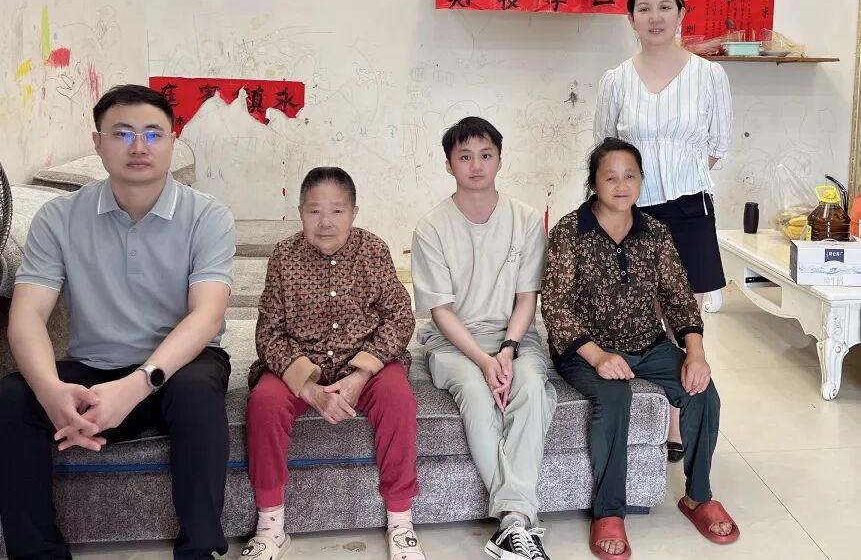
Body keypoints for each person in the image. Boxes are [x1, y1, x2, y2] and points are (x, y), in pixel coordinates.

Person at [0, 84, 236, 559]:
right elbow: (27, 315)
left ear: (172, 141)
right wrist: (50, 390)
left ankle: (200, 551)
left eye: (153, 133)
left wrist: (136, 385)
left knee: (197, 393)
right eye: (123, 133)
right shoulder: (59, 218)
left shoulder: (207, 216)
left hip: (176, 369)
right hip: (94, 370)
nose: (138, 146)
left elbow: (207, 315)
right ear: (98, 142)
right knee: (11, 399)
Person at [542, 138, 739, 560]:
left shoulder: (655, 232)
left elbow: (679, 298)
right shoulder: (569, 232)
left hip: (647, 344)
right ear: (593, 183)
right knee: (615, 398)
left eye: (630, 176)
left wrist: (695, 353)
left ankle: (698, 497)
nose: (621, 185)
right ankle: (609, 512)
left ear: (641, 180)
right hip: (586, 350)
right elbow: (555, 306)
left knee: (702, 390)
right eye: (610, 177)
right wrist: (598, 356)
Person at [241, 167, 423, 560]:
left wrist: (362, 373)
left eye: (337, 211)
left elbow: (399, 316)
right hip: (300, 364)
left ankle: (401, 522)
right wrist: (309, 389)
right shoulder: (284, 256)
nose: (325, 222)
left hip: (366, 363)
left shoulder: (372, 250)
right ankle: (270, 527)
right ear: (300, 213)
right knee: (264, 404)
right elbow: (268, 333)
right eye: (314, 211)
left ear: (353, 212)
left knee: (398, 400)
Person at [593, 0, 733, 462]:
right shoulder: (616, 80)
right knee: (639, 316)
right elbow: (605, 150)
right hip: (632, 211)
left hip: (689, 207)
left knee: (684, 319)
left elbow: (717, 146)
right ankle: (642, 414)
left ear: (680, 13)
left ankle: (675, 422)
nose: (655, 17)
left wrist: (676, 179)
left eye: (664, 6)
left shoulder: (709, 76)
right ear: (631, 18)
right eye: (644, 8)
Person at [411, 117, 557, 560]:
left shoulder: (526, 220)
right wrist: (483, 359)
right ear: (448, 164)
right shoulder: (432, 227)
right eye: (465, 156)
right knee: (476, 393)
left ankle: (512, 521)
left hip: (515, 336)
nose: (476, 165)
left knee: (532, 386)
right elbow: (440, 311)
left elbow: (527, 298)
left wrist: (508, 349)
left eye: (485, 155)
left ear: (499, 160)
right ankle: (518, 517)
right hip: (455, 341)